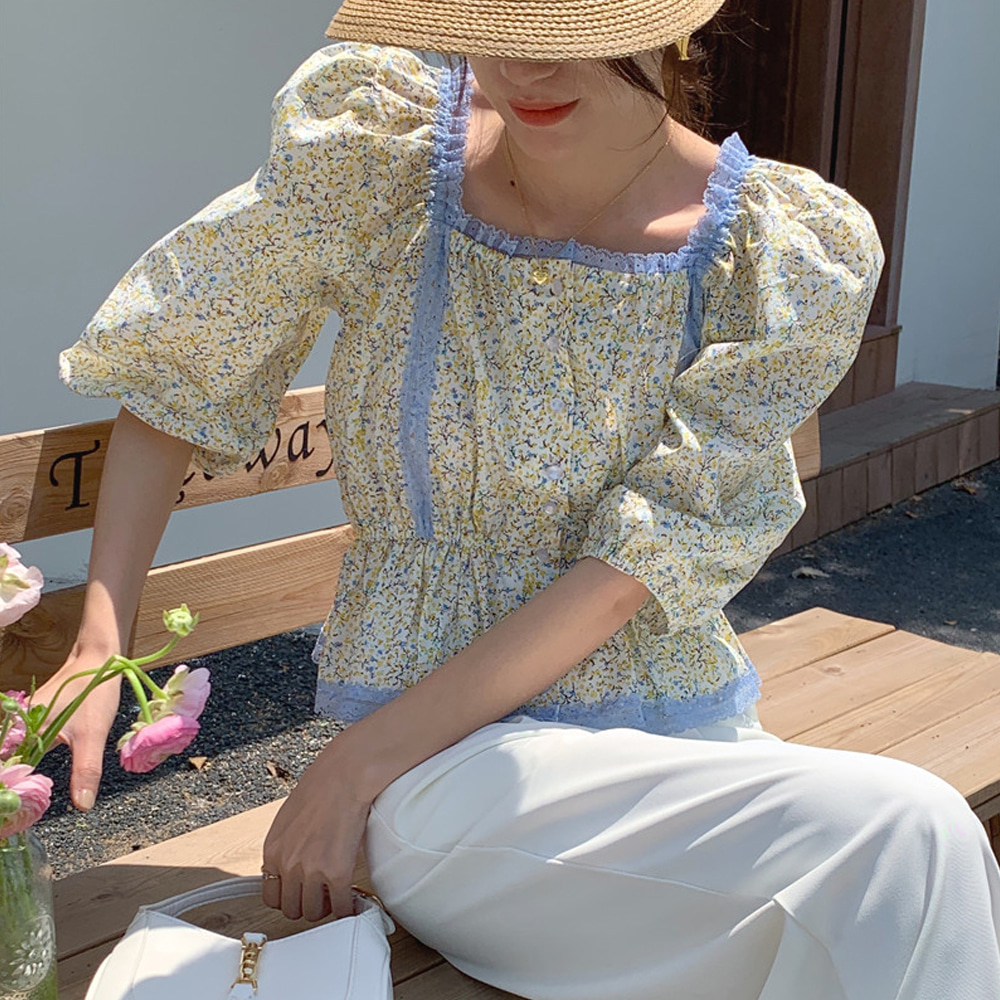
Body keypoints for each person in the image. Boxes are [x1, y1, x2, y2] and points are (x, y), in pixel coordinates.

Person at [45, 1, 1000, 997]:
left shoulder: (773, 249)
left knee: (890, 877)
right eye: (496, 26)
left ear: (667, 29)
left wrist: (350, 763)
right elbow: (179, 366)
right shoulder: (382, 161)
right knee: (911, 838)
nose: (525, 71)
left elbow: (633, 568)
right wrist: (101, 635)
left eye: (571, 35)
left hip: (668, 739)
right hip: (439, 774)